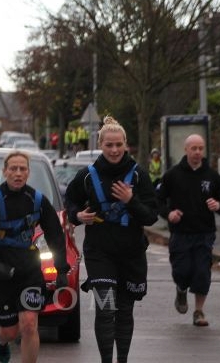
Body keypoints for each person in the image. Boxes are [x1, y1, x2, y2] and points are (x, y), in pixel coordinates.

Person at [64, 116, 158, 363]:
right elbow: (69, 202)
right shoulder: (87, 175)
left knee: (124, 312)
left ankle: (122, 360)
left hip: (131, 253)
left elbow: (151, 217)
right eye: (109, 145)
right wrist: (78, 215)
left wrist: (131, 201)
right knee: (106, 309)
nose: (114, 150)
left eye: (119, 145)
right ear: (100, 144)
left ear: (126, 144)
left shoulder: (139, 175)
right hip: (99, 252)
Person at [0, 150, 70, 363]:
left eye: (22, 169)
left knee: (29, 324)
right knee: (11, 331)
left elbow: (55, 234)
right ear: (4, 171)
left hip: (29, 272)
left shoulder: (39, 201)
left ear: (28, 172)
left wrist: (61, 268)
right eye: (13, 169)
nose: (17, 173)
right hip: (1, 275)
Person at [156, 134, 220, 327]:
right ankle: (181, 290)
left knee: (202, 273)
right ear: (186, 150)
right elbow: (158, 200)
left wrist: (218, 205)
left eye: (201, 148)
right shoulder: (172, 175)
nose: (197, 152)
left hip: (204, 233)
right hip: (180, 233)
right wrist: (168, 213)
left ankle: (199, 311)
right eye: (194, 148)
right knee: (182, 271)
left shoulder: (212, 177)